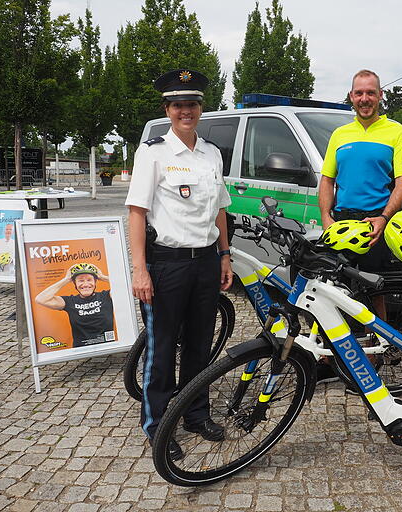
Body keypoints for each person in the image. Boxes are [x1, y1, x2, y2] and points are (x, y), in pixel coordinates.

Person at [124, 68, 234, 458]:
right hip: (166, 265)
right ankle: (155, 424)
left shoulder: (211, 153)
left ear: (201, 108)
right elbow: (137, 213)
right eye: (178, 105)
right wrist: (140, 269)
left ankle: (194, 413)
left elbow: (220, 209)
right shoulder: (152, 153)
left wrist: (224, 254)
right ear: (167, 109)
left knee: (200, 344)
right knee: (162, 346)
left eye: (192, 104)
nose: (185, 111)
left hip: (205, 261)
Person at [317, 69, 402, 383]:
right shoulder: (340, 135)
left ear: (380, 96)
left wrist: (385, 217)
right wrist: (326, 218)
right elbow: (327, 180)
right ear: (351, 96)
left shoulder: (397, 133)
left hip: (376, 221)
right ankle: (325, 355)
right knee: (331, 289)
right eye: (359, 93)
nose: (364, 99)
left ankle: (379, 347)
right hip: (342, 221)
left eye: (370, 93)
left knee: (375, 291)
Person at [35, 262, 115, 347]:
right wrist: (66, 280)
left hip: (108, 347)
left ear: (95, 282)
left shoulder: (106, 296)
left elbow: (124, 286)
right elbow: (40, 299)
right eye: (81, 280)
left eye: (89, 280)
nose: (85, 284)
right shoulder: (70, 301)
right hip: (81, 350)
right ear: (75, 284)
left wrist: (103, 277)